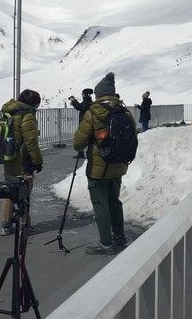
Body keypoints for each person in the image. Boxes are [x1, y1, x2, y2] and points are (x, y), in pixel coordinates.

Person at [73, 72, 136, 255]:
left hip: (99, 169)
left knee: (101, 204)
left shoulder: (93, 113)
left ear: (99, 94)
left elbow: (78, 142)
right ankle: (120, 236)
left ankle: (106, 244)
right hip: (119, 165)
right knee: (114, 201)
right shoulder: (124, 111)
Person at [0, 89, 44, 236]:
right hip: (23, 161)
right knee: (24, 193)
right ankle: (25, 225)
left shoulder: (9, 112)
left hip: (9, 158)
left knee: (9, 191)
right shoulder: (27, 116)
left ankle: (5, 225)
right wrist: (37, 161)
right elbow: (31, 142)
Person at [69, 88, 93, 159]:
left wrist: (73, 101)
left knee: (81, 137)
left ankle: (82, 153)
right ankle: (82, 153)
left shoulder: (87, 102)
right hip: (85, 122)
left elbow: (80, 107)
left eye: (82, 94)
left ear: (85, 95)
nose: (82, 95)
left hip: (84, 122)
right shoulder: (88, 101)